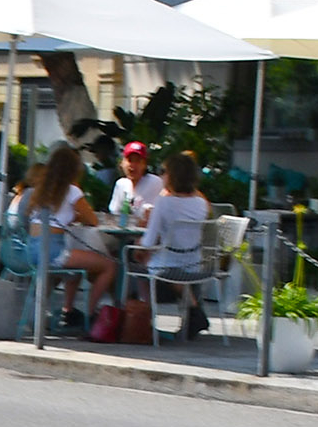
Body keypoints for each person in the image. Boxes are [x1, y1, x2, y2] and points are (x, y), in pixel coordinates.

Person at [13, 143, 116, 330]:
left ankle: (42, 313)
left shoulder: (39, 188)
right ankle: (90, 315)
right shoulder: (72, 191)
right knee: (108, 266)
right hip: (53, 251)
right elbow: (92, 220)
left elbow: (30, 218)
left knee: (71, 270)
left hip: (32, 249)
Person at [137, 152, 213, 340]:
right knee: (169, 266)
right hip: (195, 263)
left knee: (137, 260)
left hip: (167, 264)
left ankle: (143, 318)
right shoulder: (202, 204)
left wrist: (139, 246)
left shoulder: (163, 203)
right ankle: (193, 310)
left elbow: (148, 241)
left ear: (171, 175)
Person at [105, 141, 164, 223]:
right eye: (130, 160)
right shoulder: (121, 184)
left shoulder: (155, 182)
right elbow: (115, 213)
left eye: (138, 161)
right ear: (122, 163)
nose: (133, 165)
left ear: (145, 164)